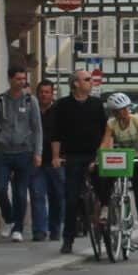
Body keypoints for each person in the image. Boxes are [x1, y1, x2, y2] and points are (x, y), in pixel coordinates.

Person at [0, 68, 44, 241]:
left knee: (20, 193)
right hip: (4, 151)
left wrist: (38, 153)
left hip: (24, 152)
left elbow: (37, 129)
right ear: (10, 80)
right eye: (18, 79)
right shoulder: (0, 101)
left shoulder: (31, 101)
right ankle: (9, 218)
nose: (22, 82)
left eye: (24, 79)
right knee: (0, 189)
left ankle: (18, 228)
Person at [49, 70, 108, 255]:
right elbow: (56, 134)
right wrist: (56, 157)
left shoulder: (97, 104)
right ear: (76, 84)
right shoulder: (63, 105)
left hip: (94, 155)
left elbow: (107, 132)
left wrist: (101, 156)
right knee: (71, 198)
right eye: (87, 80)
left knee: (102, 190)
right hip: (73, 155)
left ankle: (104, 219)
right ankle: (68, 239)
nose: (91, 82)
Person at [94, 91, 138, 257]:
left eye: (125, 108)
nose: (124, 112)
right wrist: (99, 158)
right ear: (114, 112)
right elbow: (106, 142)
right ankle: (107, 207)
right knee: (105, 177)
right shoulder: (112, 123)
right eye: (119, 110)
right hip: (121, 159)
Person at [28, 74, 67, 243]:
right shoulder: (31, 111)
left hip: (55, 161)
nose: (44, 95)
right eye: (41, 92)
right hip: (37, 161)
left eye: (47, 92)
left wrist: (62, 156)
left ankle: (55, 228)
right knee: (37, 194)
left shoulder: (59, 112)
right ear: (38, 94)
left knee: (57, 196)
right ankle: (39, 230)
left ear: (52, 94)